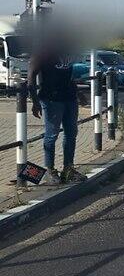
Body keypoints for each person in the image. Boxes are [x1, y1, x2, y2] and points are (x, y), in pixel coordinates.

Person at [27, 48, 85, 184]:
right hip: (51, 99)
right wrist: (35, 101)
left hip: (69, 98)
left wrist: (78, 93)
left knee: (71, 133)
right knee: (51, 135)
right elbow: (31, 77)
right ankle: (50, 170)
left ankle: (68, 169)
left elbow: (68, 76)